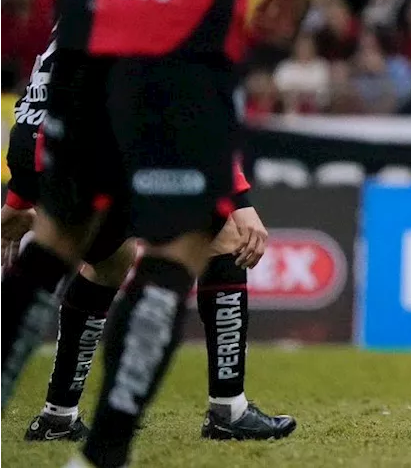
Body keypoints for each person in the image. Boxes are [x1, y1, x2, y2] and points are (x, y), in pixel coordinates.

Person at [0, 0, 322, 466]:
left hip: (83, 28)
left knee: (54, 243)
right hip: (179, 38)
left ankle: (57, 411)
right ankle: (103, 452)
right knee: (186, 246)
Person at [0, 29, 296, 442]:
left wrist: (19, 195)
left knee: (109, 263)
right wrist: (239, 196)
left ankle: (58, 416)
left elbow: (36, 99)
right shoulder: (156, 10)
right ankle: (228, 410)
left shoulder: (84, 7)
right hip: (103, 150)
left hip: (50, 152)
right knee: (226, 235)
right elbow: (184, 108)